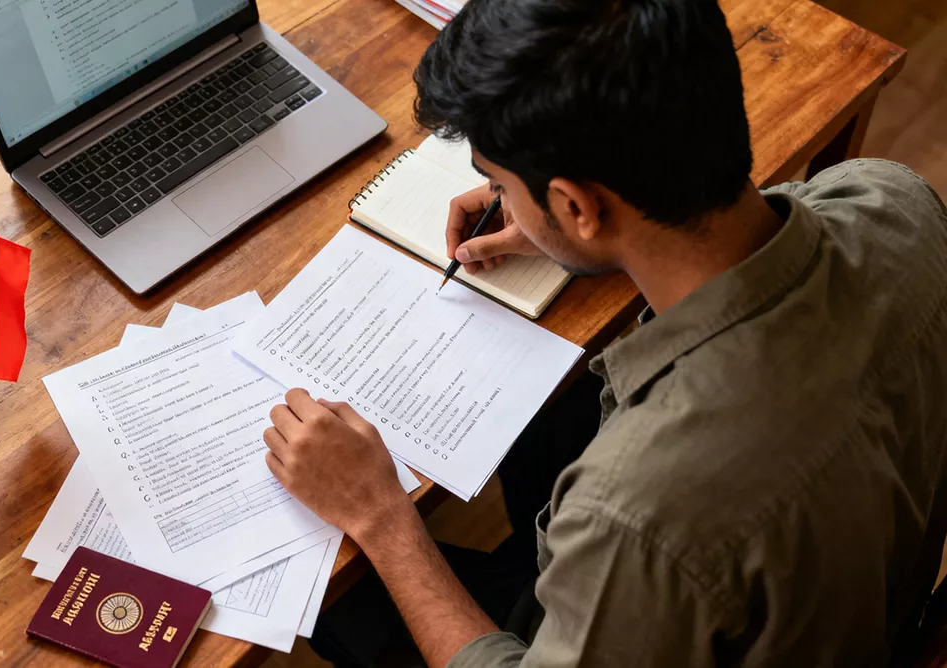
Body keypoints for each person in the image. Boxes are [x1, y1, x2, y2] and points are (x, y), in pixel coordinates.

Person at [261, 0, 947, 665]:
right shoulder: (890, 197)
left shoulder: (635, 516)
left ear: (578, 204)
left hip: (633, 604)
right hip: (850, 594)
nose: (500, 201)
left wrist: (382, 517)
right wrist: (566, 234)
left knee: (331, 595)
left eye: (500, 182)